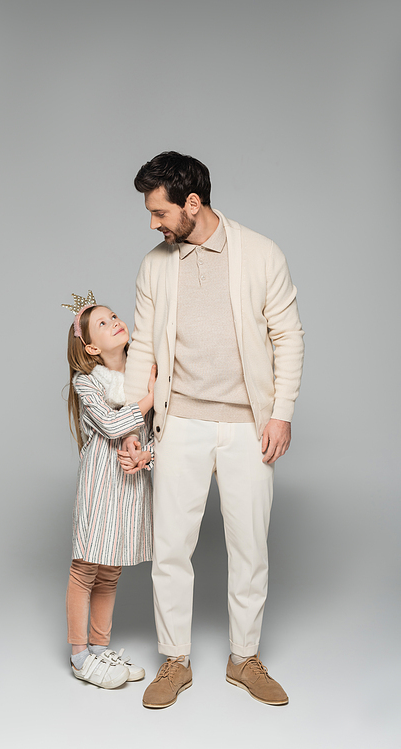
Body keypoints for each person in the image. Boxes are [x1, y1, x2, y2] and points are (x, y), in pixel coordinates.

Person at [122, 152, 305, 709]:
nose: (153, 223)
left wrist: (282, 413)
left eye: (159, 212)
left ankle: (243, 658)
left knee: (249, 546)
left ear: (192, 204)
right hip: (178, 423)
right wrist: (133, 421)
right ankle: (174, 660)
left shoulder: (261, 253)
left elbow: (287, 337)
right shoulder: (156, 265)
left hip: (250, 426)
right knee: (171, 546)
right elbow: (145, 348)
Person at [63, 291, 156, 689]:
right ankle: (80, 656)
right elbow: (114, 425)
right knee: (86, 568)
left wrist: (145, 457)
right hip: (100, 487)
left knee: (111, 570)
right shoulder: (87, 384)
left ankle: (101, 649)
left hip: (129, 487)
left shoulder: (143, 371)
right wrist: (152, 397)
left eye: (114, 315)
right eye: (102, 323)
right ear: (91, 346)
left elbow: (156, 433)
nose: (115, 321)